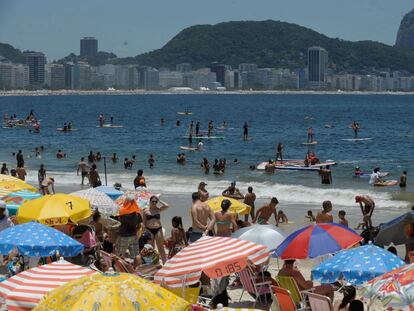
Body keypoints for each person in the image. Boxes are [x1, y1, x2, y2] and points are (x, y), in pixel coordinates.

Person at [142, 196, 169, 264]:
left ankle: (165, 264)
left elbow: (167, 206)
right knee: (151, 248)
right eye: (153, 201)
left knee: (161, 248)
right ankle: (152, 264)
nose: (154, 203)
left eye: (155, 202)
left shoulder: (158, 209)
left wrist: (159, 200)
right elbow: (143, 223)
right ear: (150, 201)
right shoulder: (145, 210)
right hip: (149, 230)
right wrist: (144, 232)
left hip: (158, 229)